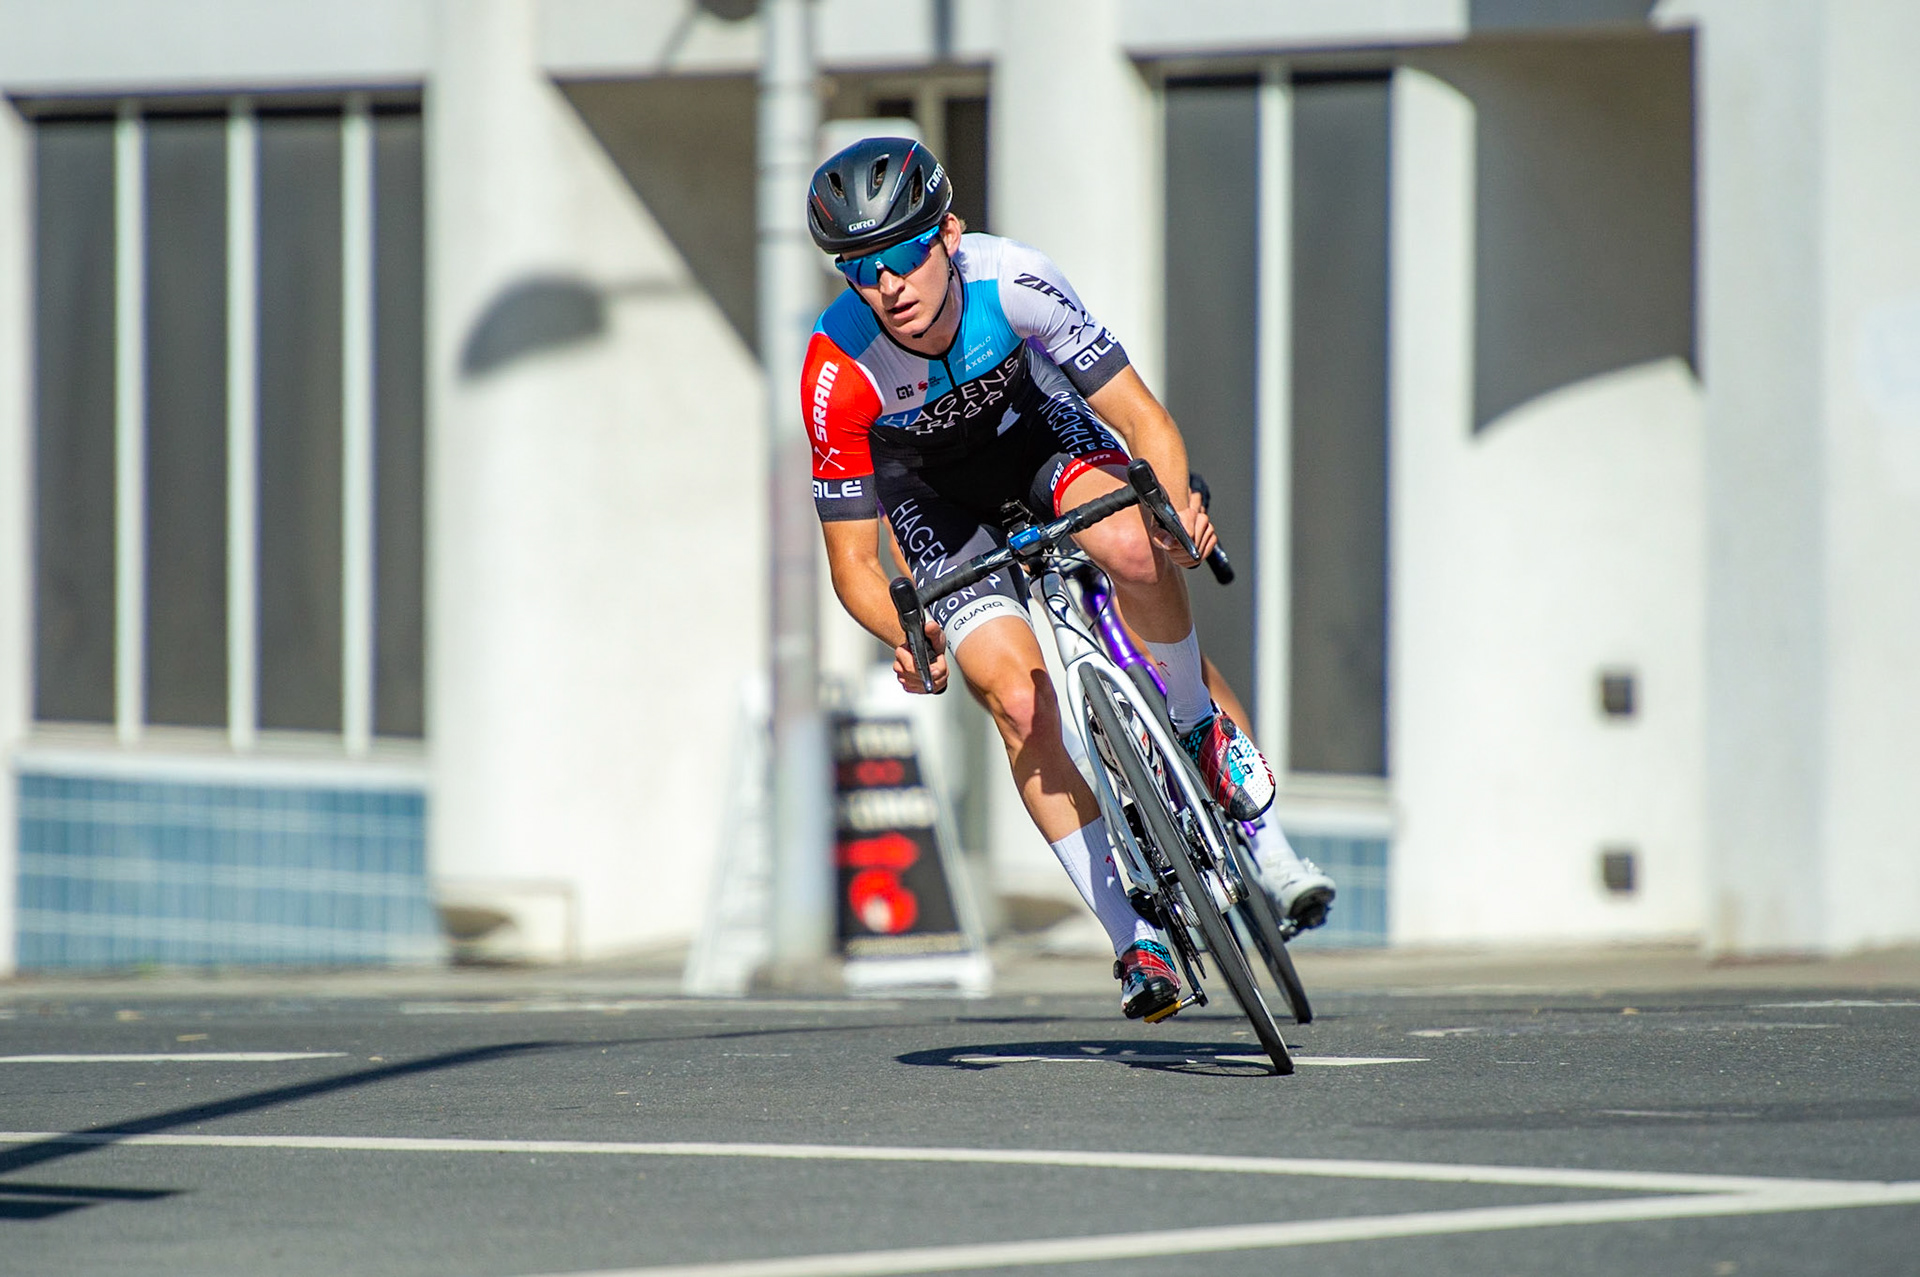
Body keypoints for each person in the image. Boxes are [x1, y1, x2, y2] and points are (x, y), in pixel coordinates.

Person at [801, 137, 1333, 1020]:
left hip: (1035, 435)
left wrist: (1172, 513)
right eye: (861, 268)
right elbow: (853, 563)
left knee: (1134, 547)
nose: (888, 284)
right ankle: (1135, 940)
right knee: (1019, 703)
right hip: (933, 499)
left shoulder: (1014, 280)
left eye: (904, 254)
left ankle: (1198, 727)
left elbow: (1144, 419)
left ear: (949, 235)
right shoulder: (836, 366)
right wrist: (906, 633)